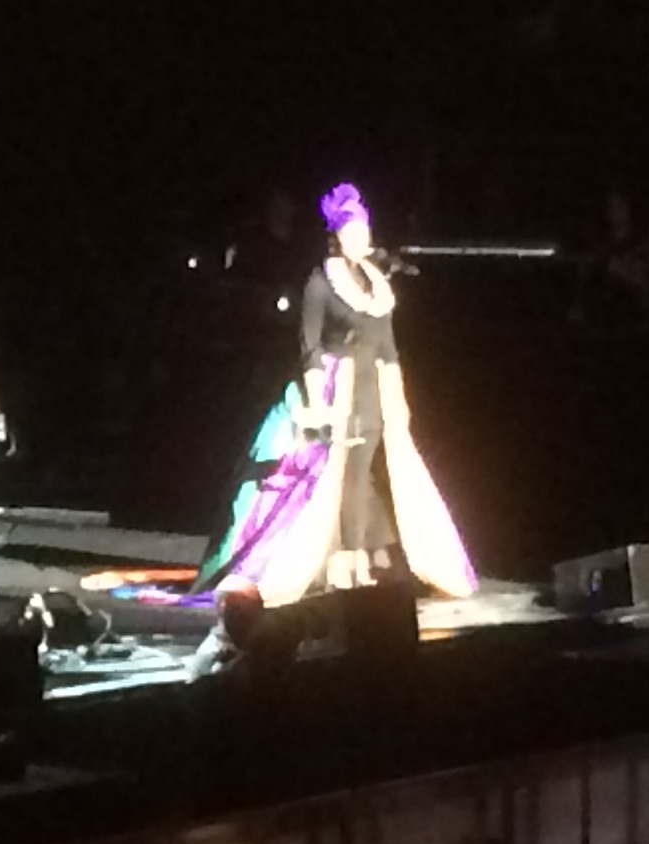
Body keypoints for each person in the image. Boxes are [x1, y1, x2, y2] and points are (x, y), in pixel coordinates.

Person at [199, 182, 476, 603]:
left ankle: (357, 559)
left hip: (372, 389)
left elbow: (388, 346)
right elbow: (309, 345)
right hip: (336, 386)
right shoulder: (321, 282)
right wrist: (317, 401)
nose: (361, 239)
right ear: (338, 237)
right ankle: (339, 562)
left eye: (365, 231)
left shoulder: (375, 284)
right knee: (334, 477)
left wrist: (398, 395)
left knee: (361, 473)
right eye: (353, 233)